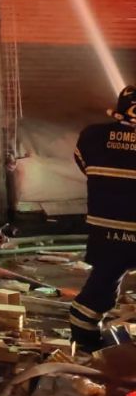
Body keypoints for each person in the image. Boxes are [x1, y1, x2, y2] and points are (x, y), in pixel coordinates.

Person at [69, 86, 136, 351]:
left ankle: (84, 344)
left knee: (103, 281)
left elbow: (86, 168)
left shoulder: (91, 136)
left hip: (105, 229)